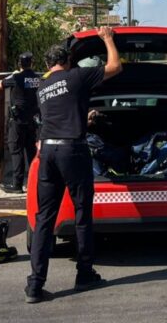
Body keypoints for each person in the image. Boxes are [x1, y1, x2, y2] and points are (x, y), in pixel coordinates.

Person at [26, 26, 122, 304]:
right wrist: (107, 39)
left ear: (47, 65)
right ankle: (84, 273)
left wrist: (83, 118)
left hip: (48, 153)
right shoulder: (77, 76)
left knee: (45, 218)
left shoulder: (42, 86)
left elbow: (56, 113)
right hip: (73, 151)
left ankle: (35, 284)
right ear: (68, 62)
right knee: (82, 212)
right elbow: (115, 67)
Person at [0, 51, 41, 194]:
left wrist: (13, 74)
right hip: (32, 120)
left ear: (19, 64)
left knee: (16, 150)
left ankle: (17, 184)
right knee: (31, 151)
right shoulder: (37, 78)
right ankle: (35, 183)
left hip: (18, 120)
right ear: (32, 63)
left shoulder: (16, 77)